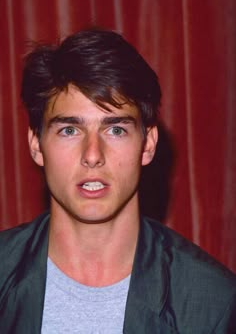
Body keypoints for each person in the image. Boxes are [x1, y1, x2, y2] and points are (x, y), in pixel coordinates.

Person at [0, 29, 236, 334]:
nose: (93, 155)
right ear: (36, 144)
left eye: (116, 130)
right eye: (69, 130)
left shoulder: (213, 302)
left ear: (148, 143)